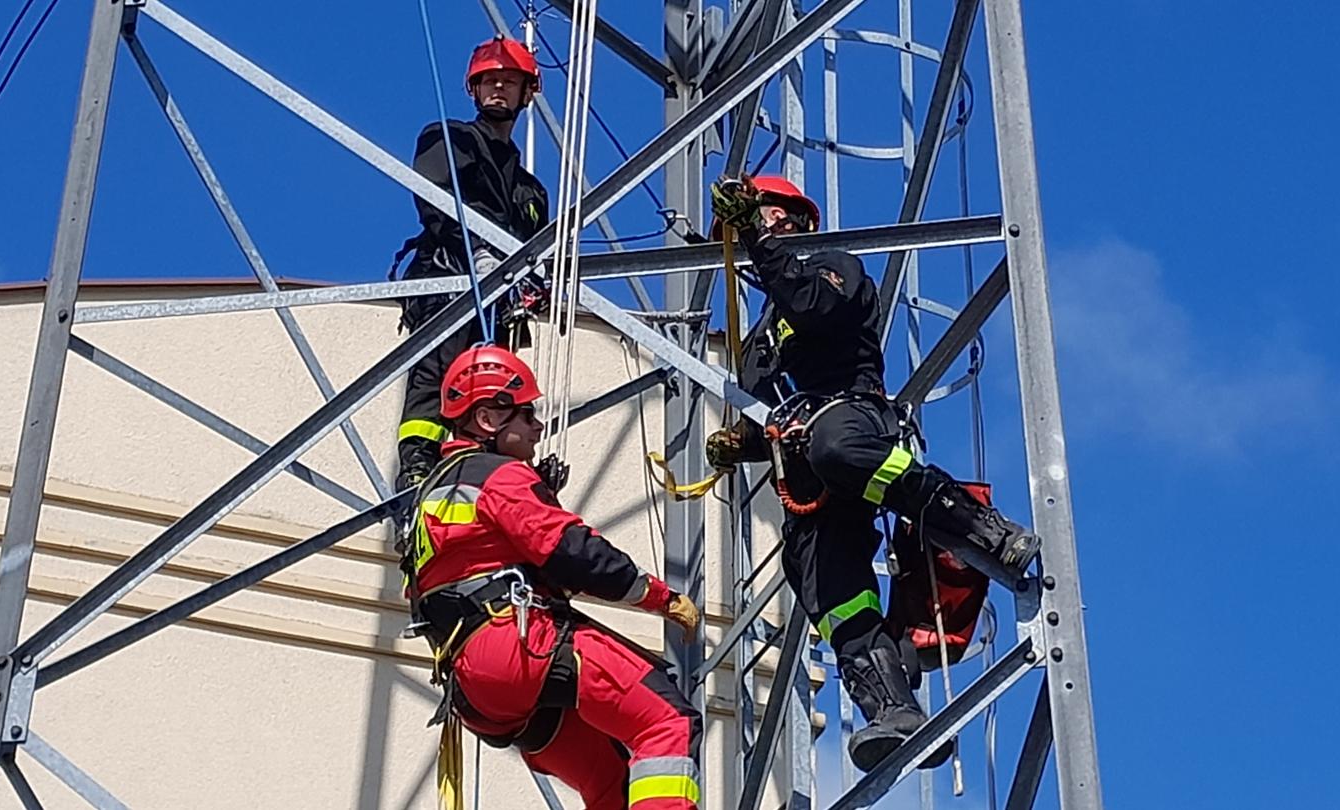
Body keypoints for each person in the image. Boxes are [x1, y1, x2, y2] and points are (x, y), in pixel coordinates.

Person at [702, 175, 1039, 772]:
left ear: (798, 224)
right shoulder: (758, 339)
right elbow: (764, 409)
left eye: (768, 214)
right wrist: (742, 443)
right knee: (829, 592)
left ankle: (981, 526)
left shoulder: (835, 268)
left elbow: (811, 306)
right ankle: (893, 708)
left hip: (849, 421)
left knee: (839, 449)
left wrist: (756, 234)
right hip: (803, 470)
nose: (757, 224)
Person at [402, 346, 706, 810]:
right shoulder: (498, 476)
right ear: (487, 420)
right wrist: (659, 597)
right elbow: (574, 553)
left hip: (476, 688)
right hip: (518, 643)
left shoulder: (429, 501)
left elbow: (460, 575)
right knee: (667, 721)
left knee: (611, 779)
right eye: (526, 416)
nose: (538, 427)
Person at [393, 36, 552, 495]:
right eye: (489, 81)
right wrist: (482, 247)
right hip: (447, 284)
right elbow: (437, 199)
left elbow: (537, 247)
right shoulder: (450, 138)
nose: (498, 89)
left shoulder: (531, 191)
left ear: (528, 92)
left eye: (509, 81)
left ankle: (485, 469)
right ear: (474, 91)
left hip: (500, 307)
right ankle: (418, 471)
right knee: (435, 381)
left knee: (495, 390)